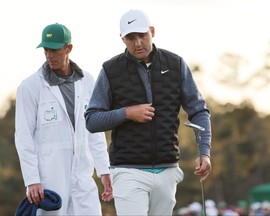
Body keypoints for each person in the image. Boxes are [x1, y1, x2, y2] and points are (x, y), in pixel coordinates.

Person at [85, 9, 212, 216]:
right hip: (128, 170)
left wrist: (204, 152)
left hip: (168, 169)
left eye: (142, 35)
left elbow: (199, 111)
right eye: (130, 37)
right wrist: (126, 113)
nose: (137, 43)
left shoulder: (176, 64)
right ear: (122, 39)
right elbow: (92, 120)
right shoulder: (110, 70)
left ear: (152, 31)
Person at [14, 23, 112, 215]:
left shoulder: (88, 81)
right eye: (46, 50)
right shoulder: (30, 86)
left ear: (68, 48)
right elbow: (23, 136)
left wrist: (104, 169)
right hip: (49, 178)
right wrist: (32, 180)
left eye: (55, 50)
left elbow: (95, 131)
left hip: (83, 176)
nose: (49, 55)